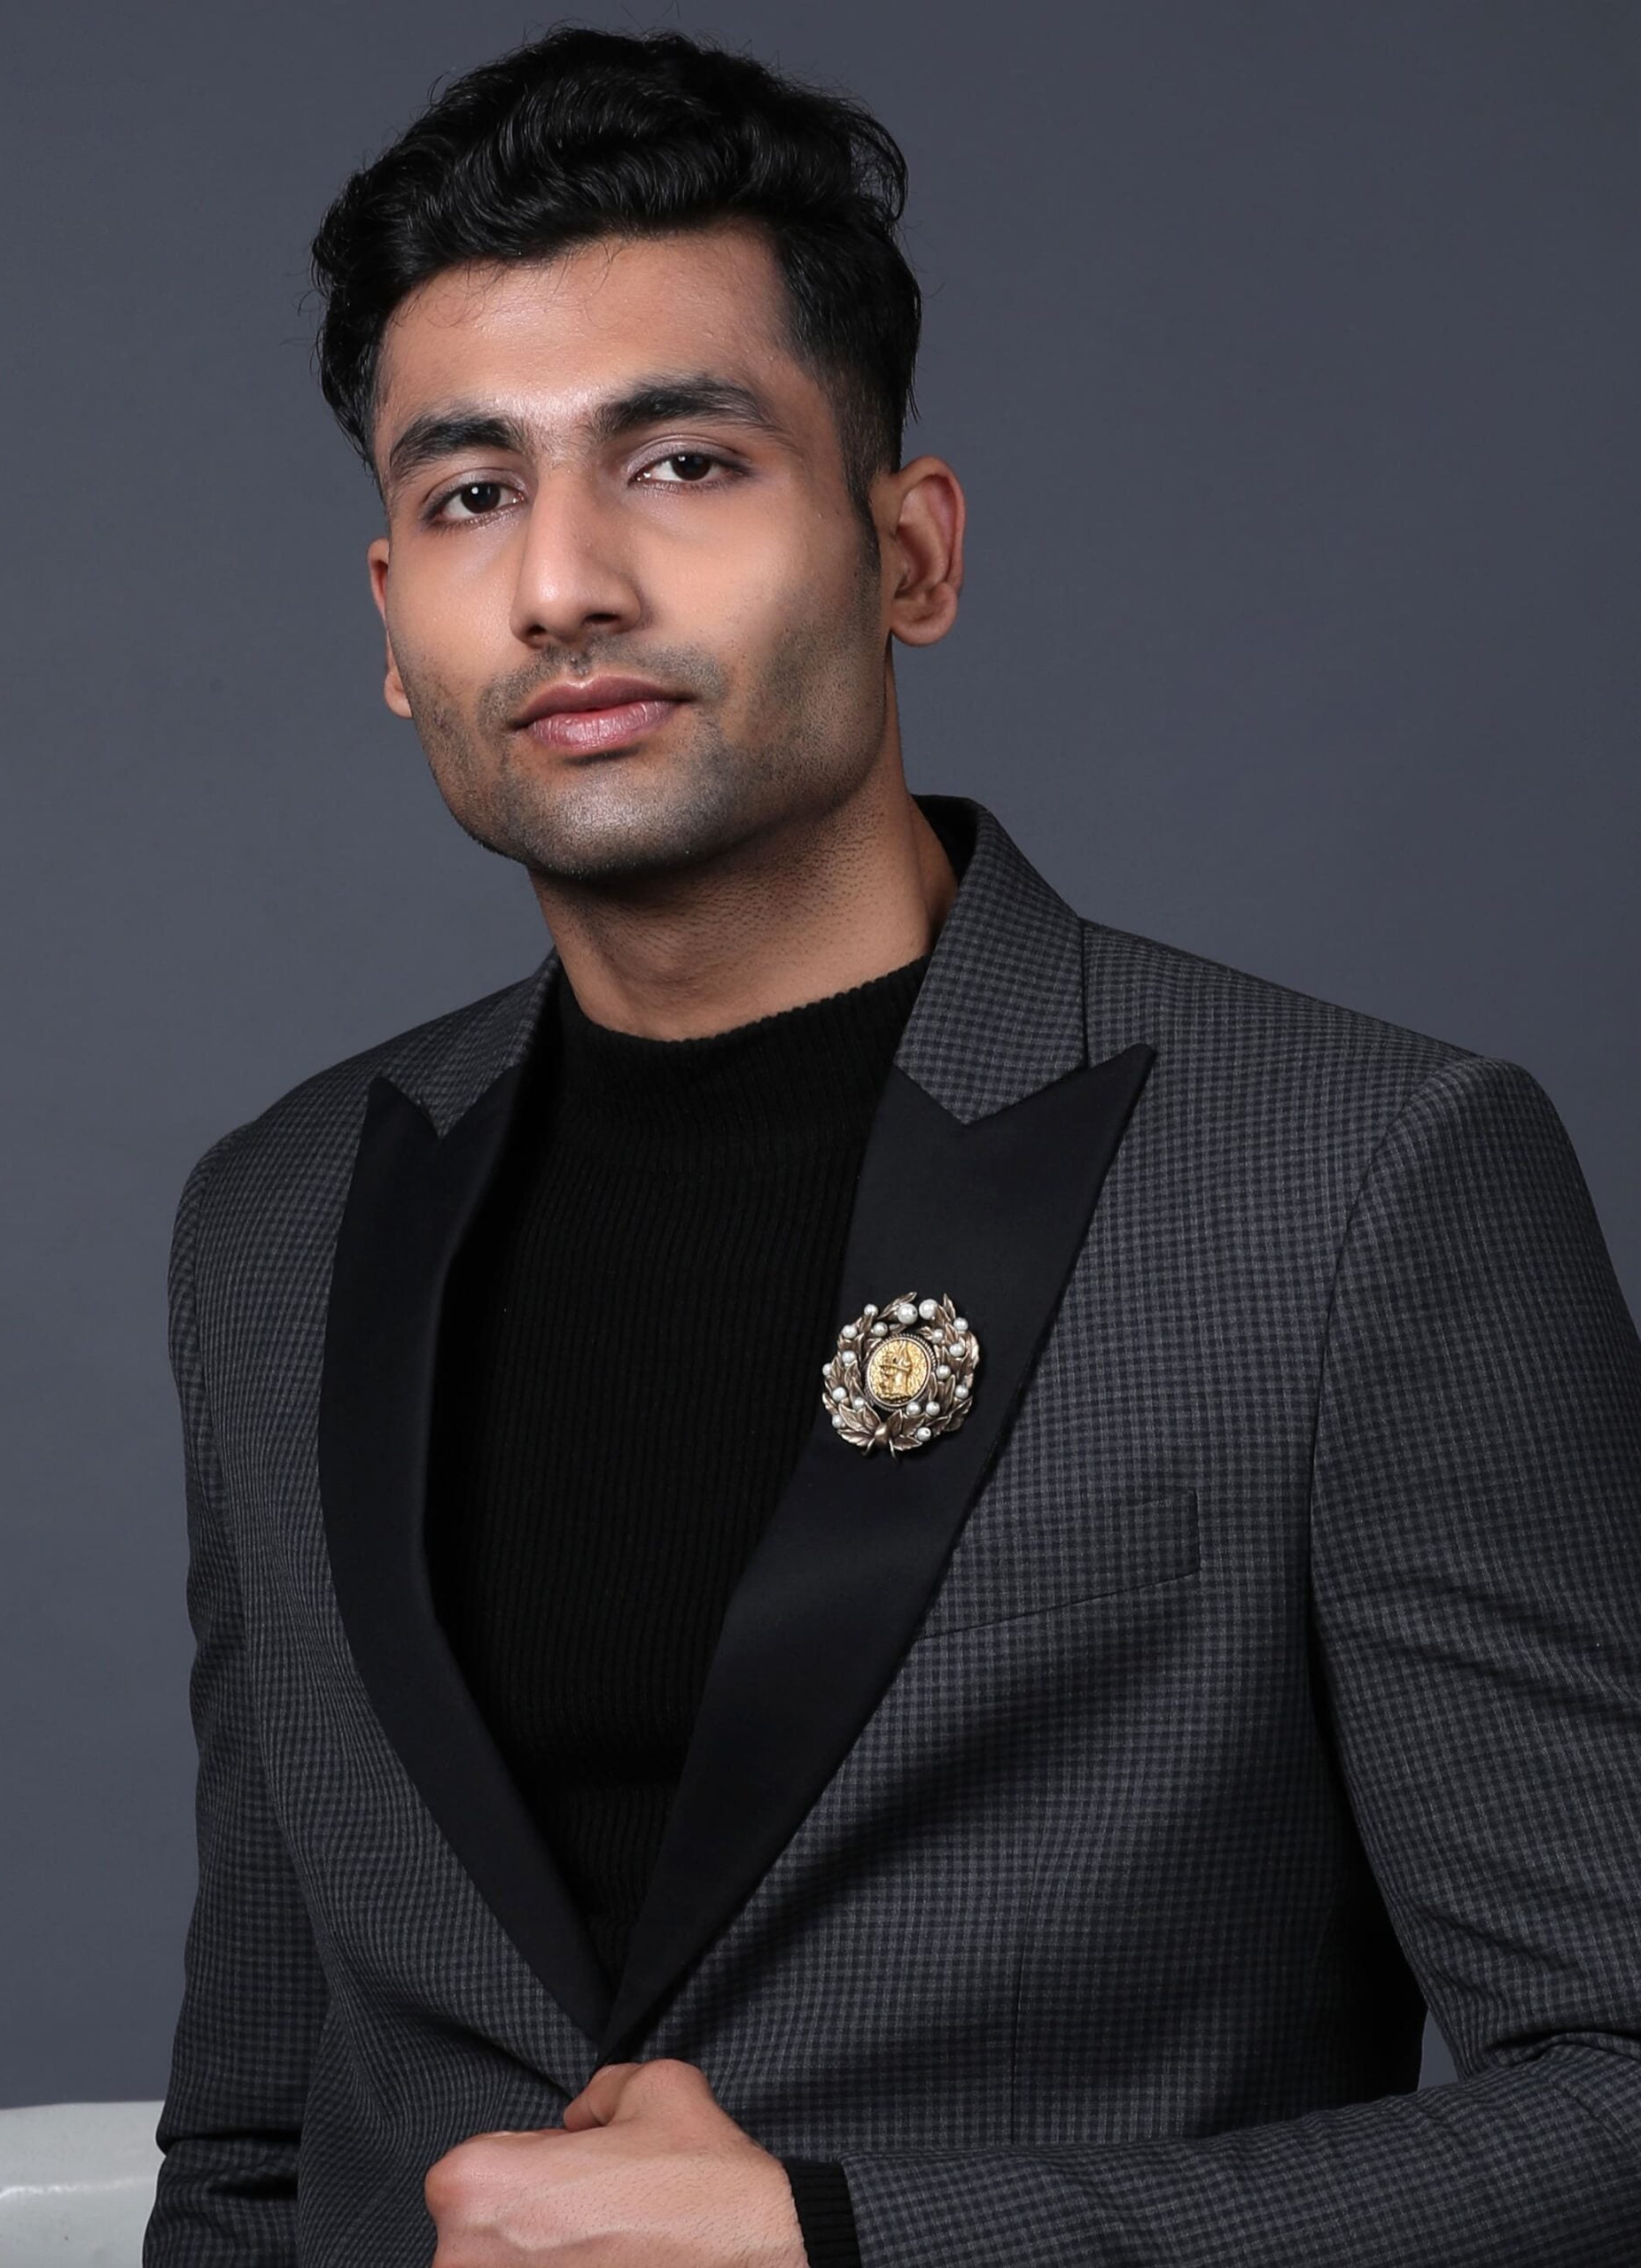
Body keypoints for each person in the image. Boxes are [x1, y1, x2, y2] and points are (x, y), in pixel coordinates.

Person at [143, 24, 1641, 2268]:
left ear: (909, 549)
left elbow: (1619, 2094)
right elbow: (255, 2147)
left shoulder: (1360, 1182)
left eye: (683, 461)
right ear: (392, 625)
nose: (563, 580)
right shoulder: (277, 1223)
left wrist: (853, 2238)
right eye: (469, 494)